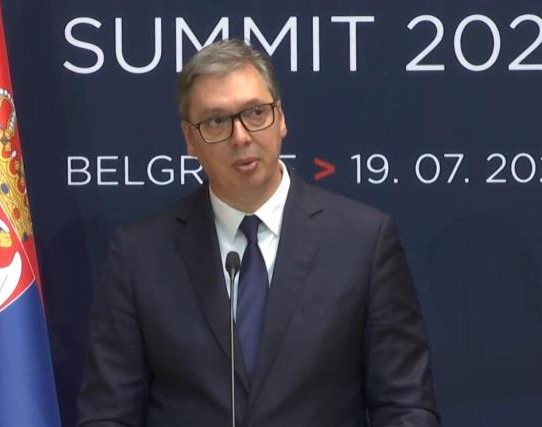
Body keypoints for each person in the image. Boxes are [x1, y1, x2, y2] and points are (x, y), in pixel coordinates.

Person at [77, 39, 440, 426]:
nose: (241, 137)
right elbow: (107, 415)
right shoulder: (141, 256)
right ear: (190, 139)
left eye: (255, 112)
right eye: (216, 121)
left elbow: (406, 406)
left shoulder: (363, 242)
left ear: (280, 118)